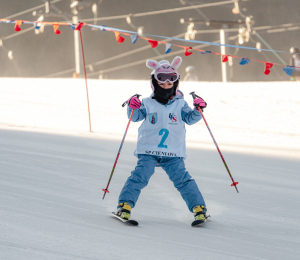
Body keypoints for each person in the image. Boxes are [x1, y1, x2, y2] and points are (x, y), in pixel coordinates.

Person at [116, 56, 208, 223]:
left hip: (172, 152)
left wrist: (198, 110)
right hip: (149, 150)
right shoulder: (147, 102)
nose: (166, 85)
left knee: (183, 180)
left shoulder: (180, 104)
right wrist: (132, 105)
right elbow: (134, 117)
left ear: (176, 83)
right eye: (162, 81)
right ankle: (124, 206)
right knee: (140, 176)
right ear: (154, 82)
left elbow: (189, 119)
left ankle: (199, 208)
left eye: (170, 81)